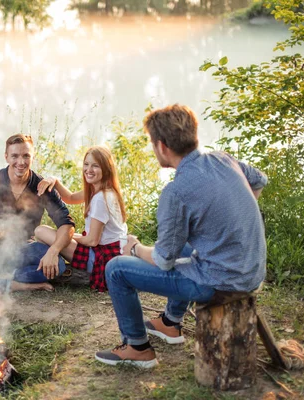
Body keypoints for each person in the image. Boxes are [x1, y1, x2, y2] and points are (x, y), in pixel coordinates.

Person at [94, 104, 267, 368]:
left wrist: (135, 248)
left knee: (116, 269)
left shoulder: (176, 192)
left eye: (152, 143)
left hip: (222, 282)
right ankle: (170, 324)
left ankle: (137, 348)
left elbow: (163, 260)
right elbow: (259, 180)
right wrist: (234, 220)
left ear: (162, 146)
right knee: (186, 247)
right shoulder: (223, 159)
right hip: (251, 269)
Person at [0, 134, 75, 292]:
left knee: (58, 264)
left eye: (26, 156)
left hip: (25, 249)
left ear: (33, 156)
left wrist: (53, 250)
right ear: (6, 157)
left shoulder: (42, 186)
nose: (21, 162)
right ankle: (7, 281)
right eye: (15, 156)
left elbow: (66, 224)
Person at [35, 146, 128, 292]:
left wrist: (67, 237)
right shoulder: (101, 190)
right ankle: (52, 262)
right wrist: (55, 181)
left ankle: (54, 267)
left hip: (102, 258)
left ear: (106, 169)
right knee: (49, 235)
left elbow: (92, 241)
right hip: (112, 253)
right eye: (86, 164)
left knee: (41, 232)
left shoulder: (100, 199)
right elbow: (70, 198)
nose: (89, 169)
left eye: (95, 165)